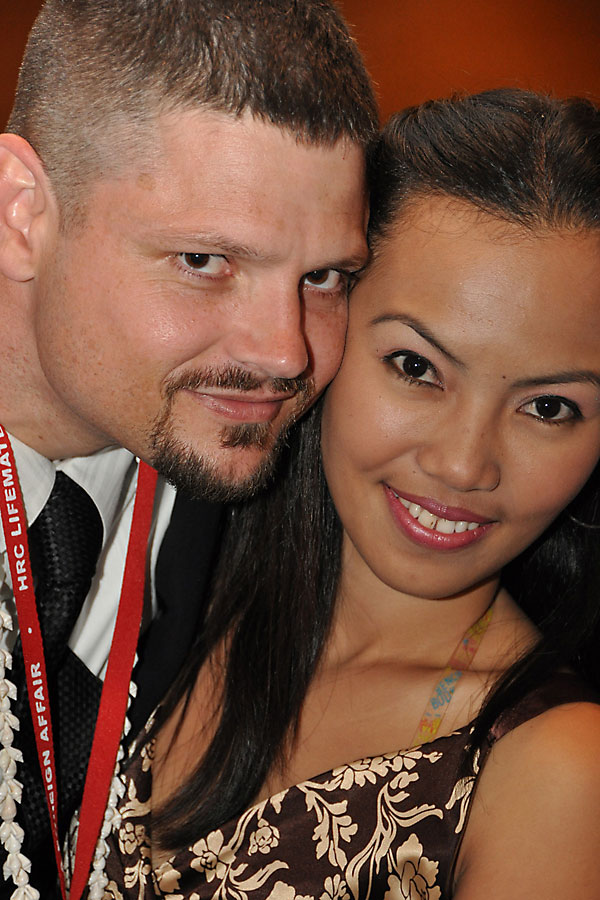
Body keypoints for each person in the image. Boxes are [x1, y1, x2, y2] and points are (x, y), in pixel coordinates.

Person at [97, 89, 600, 899]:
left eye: (549, 408)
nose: (463, 465)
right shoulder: (158, 572)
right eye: (415, 367)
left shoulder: (555, 770)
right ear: (322, 322)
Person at [0, 1, 377, 896]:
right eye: (205, 262)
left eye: (325, 277)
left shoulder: (317, 495)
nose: (285, 353)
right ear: (20, 213)